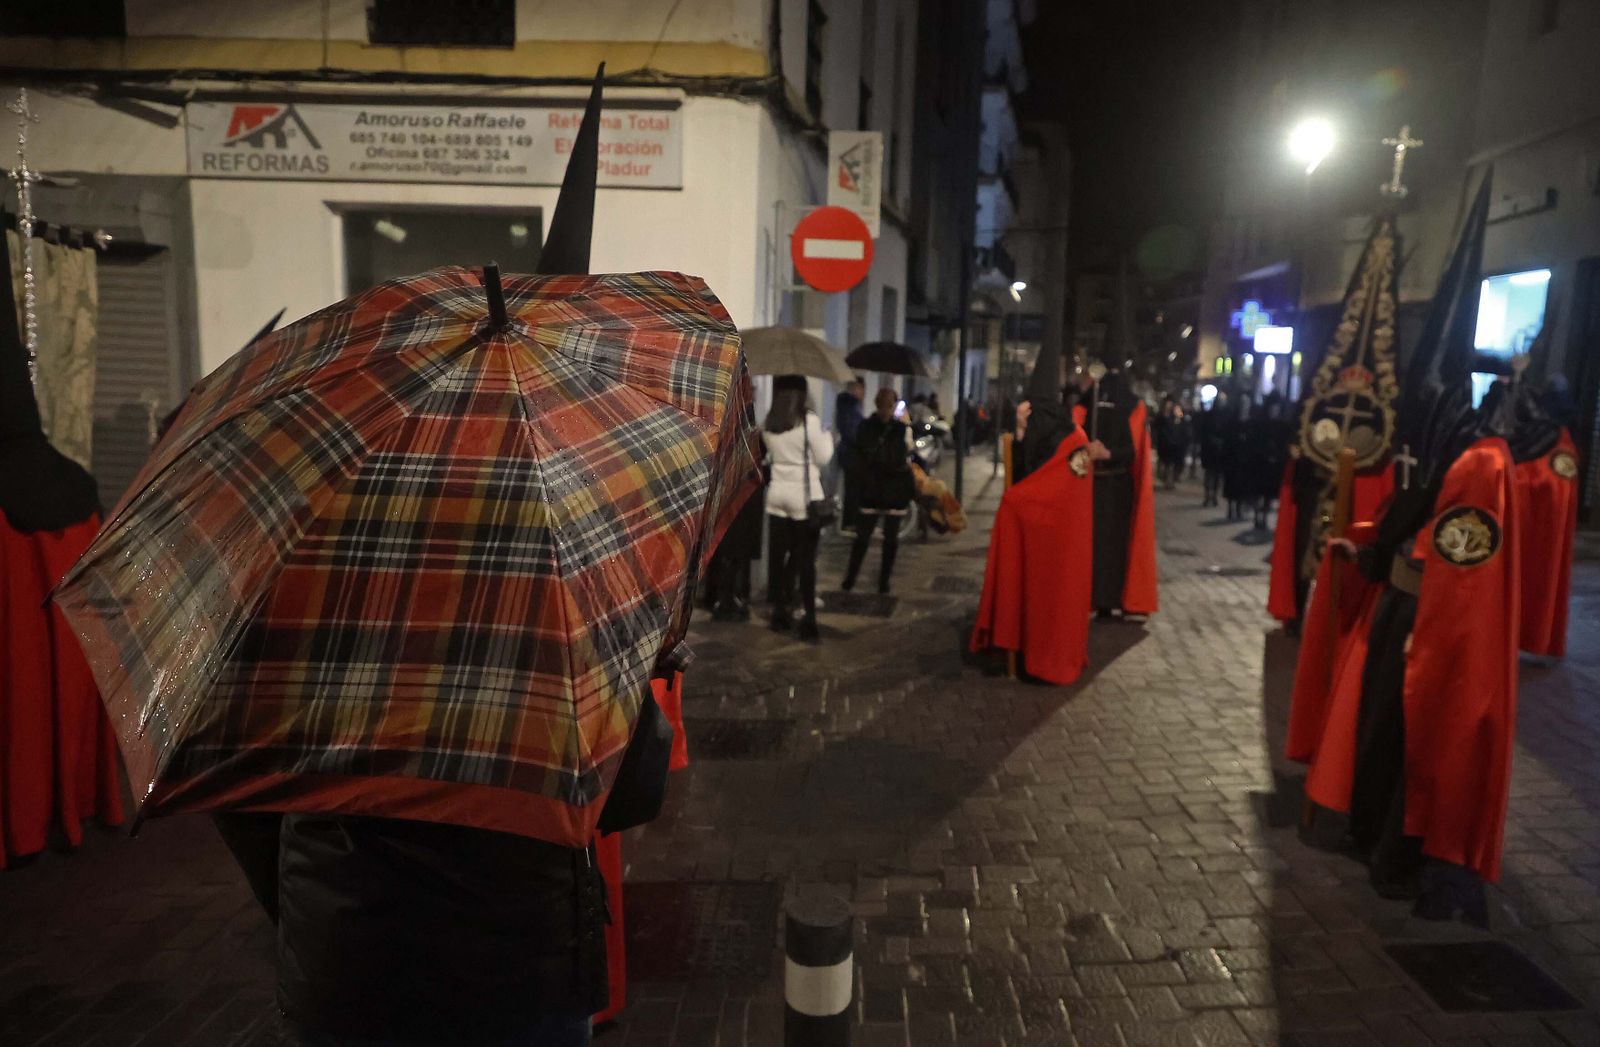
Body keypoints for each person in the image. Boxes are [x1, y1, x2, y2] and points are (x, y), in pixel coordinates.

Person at [1075, 370, 1158, 618]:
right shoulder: (1088, 404)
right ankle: (1097, 598)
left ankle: (1108, 599)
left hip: (1116, 487)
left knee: (1111, 548)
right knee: (1098, 546)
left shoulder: (1129, 406)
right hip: (1099, 486)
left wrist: (1105, 453)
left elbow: (1132, 451)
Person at [765, 374, 834, 640]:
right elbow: (824, 457)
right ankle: (809, 619)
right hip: (803, 498)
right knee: (806, 561)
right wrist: (826, 435)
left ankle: (780, 613)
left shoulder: (770, 423)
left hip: (777, 495)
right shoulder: (809, 421)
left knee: (784, 560)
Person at [844, 387, 913, 594]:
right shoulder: (898, 429)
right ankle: (879, 582)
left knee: (868, 539)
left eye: (888, 405)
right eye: (886, 405)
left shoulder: (867, 427)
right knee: (882, 540)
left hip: (875, 489)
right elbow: (903, 456)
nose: (886, 410)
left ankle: (855, 579)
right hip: (885, 489)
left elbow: (861, 456)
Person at [834, 378, 866, 531]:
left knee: (853, 487)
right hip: (851, 453)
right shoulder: (849, 406)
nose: (863, 393)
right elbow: (852, 431)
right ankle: (850, 521)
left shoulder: (850, 406)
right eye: (860, 389)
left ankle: (851, 520)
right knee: (853, 488)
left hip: (851, 452)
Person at [1197, 391, 1228, 506]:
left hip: (1218, 449)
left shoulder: (1224, 416)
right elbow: (1204, 431)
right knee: (1210, 474)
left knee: (1215, 474)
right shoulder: (1209, 415)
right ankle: (1208, 495)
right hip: (1210, 449)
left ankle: (1213, 495)